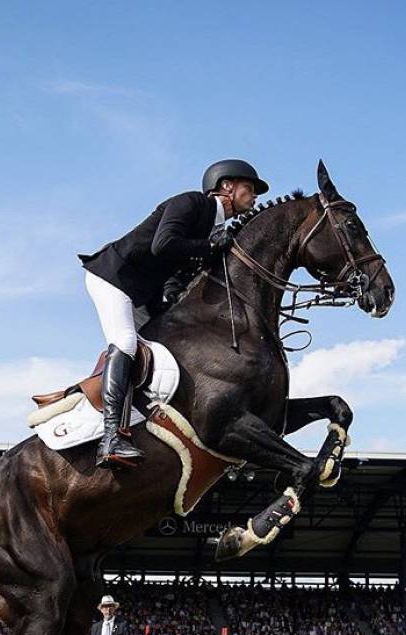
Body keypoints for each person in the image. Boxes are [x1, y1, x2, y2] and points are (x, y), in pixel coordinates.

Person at [78, 159, 268, 469]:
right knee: (126, 342)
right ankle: (111, 437)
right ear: (226, 187)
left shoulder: (215, 226)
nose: (254, 196)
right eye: (249, 188)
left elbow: (174, 270)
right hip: (114, 278)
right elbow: (163, 245)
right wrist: (209, 247)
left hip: (143, 293)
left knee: (167, 349)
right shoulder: (192, 202)